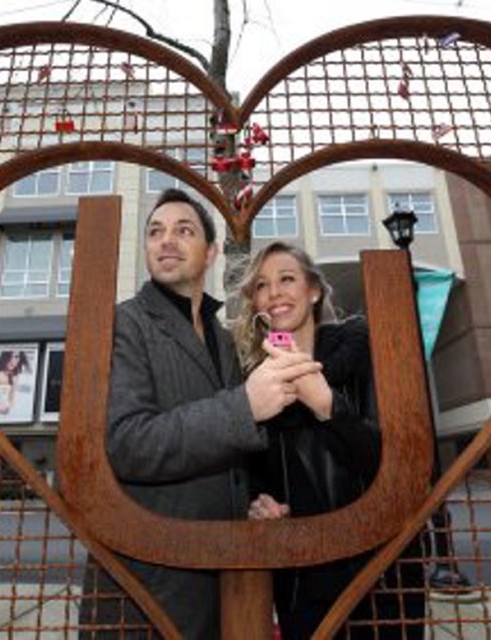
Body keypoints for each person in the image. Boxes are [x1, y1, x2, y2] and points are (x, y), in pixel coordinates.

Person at [95, 189, 322, 639]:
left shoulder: (223, 339)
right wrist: (243, 407)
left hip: (226, 585)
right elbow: (126, 443)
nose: (166, 241)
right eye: (155, 232)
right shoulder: (123, 323)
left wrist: (255, 497)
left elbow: (229, 450)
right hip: (152, 590)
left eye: (184, 230)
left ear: (212, 252)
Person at [232, 241, 426, 640]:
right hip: (302, 580)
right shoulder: (256, 381)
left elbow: (405, 464)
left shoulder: (367, 349)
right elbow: (255, 470)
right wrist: (259, 502)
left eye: (287, 279)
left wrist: (326, 406)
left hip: (379, 576)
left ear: (314, 290)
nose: (275, 294)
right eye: (263, 286)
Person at [0, 349, 30, 416]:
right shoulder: (1, 377)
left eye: (16, 357)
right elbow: (2, 405)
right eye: (10, 356)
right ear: (4, 357)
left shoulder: (18, 375)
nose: (12, 360)